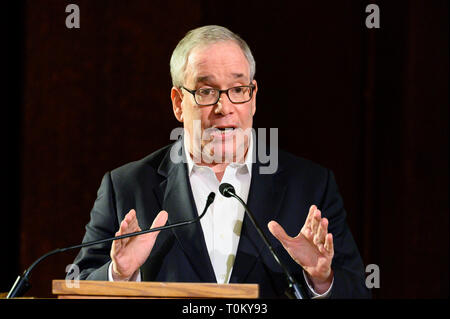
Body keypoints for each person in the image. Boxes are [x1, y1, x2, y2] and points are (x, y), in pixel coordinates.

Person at [70, 25, 370, 298]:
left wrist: (321, 280)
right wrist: (118, 275)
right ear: (178, 103)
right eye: (206, 91)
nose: (223, 107)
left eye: (238, 90)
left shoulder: (309, 185)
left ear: (253, 98)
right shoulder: (126, 186)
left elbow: (357, 291)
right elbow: (78, 288)